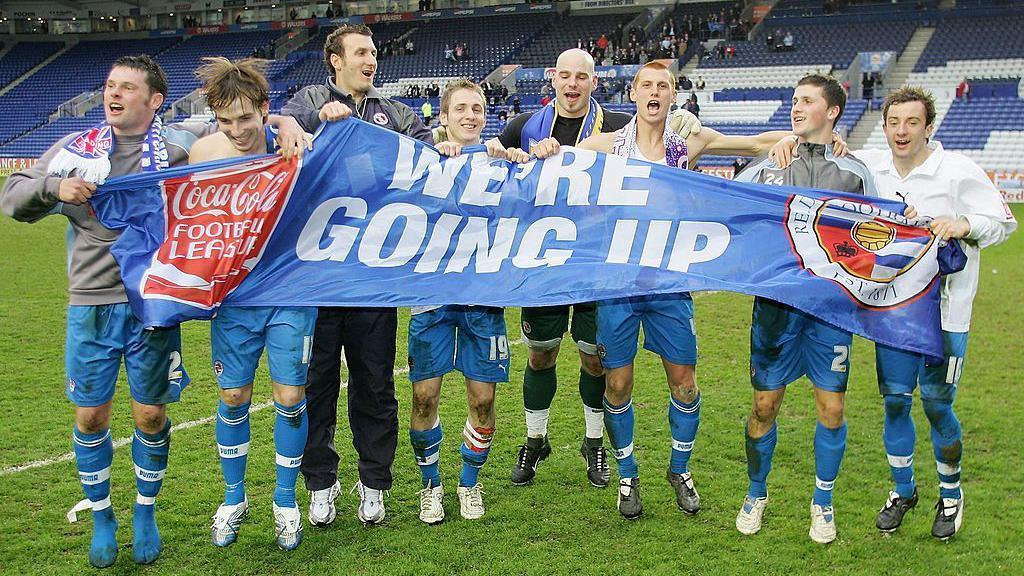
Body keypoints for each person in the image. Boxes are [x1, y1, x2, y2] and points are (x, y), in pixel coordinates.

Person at [0, 55, 306, 568]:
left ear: (154, 101)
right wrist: (56, 187)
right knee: (92, 414)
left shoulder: (180, 152)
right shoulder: (76, 151)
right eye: (108, 84)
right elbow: (13, 196)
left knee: (150, 413)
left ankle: (145, 511)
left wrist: (285, 120)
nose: (112, 94)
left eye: (125, 87)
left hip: (155, 303)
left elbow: (240, 124)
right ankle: (102, 515)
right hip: (92, 302)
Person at [536, 61, 794, 520]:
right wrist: (547, 147)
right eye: (647, 84)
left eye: (664, 85)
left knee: (685, 383)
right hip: (617, 285)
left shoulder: (686, 143)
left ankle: (679, 469)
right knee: (617, 384)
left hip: (669, 285)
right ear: (633, 93)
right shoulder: (604, 146)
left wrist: (802, 139)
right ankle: (628, 475)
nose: (655, 91)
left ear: (673, 95)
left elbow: (757, 142)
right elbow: (553, 163)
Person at [768, 87, 1015, 539]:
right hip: (894, 310)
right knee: (896, 402)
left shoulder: (957, 170)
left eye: (912, 123)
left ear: (929, 127)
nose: (902, 131)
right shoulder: (871, 167)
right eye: (894, 123)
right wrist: (785, 141)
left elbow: (1002, 222)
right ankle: (904, 491)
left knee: (938, 405)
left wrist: (963, 225)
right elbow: (818, 147)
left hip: (945, 311)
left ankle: (951, 494)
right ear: (883, 127)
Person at [488, 49, 697, 489]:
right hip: (543, 265)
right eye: (565, 75)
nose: (572, 83)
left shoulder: (618, 127)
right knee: (541, 354)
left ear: (594, 82)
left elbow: (661, 138)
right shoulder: (523, 127)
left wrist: (686, 123)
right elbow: (489, 169)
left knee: (594, 361)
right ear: (552, 77)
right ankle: (535, 439)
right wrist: (494, 150)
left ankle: (594, 444)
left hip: (599, 269)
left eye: (581, 76)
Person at [282, 23, 433, 528]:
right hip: (317, 279)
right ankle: (321, 483)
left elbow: (431, 157)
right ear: (334, 60)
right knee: (315, 385)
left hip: (373, 276)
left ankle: (375, 483)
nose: (371, 60)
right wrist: (311, 127)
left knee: (373, 384)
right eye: (361, 53)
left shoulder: (397, 115)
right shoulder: (307, 102)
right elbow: (276, 136)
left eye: (374, 53)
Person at [733, 74, 877, 544]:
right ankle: (756, 494)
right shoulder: (769, 166)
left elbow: (878, 234)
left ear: (832, 111)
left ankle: (823, 501)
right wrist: (772, 153)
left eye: (806, 102)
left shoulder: (855, 173)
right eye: (793, 101)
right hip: (776, 309)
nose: (795, 108)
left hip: (829, 311)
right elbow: (734, 209)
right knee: (764, 405)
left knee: (831, 408)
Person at [189, 57, 316, 552]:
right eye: (226, 120)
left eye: (247, 117)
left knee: (289, 398)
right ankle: (234, 498)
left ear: (265, 109)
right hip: (235, 298)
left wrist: (292, 123)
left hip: (289, 292)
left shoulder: (294, 146)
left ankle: (285, 501)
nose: (238, 130)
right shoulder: (203, 152)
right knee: (233, 398)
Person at [408, 80, 530, 525]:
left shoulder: (503, 163)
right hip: (431, 300)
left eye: (477, 108)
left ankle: (468, 483)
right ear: (443, 117)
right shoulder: (423, 164)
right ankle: (430, 487)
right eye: (460, 108)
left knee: (482, 402)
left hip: (484, 301)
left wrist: (524, 162)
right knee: (424, 398)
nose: (470, 115)